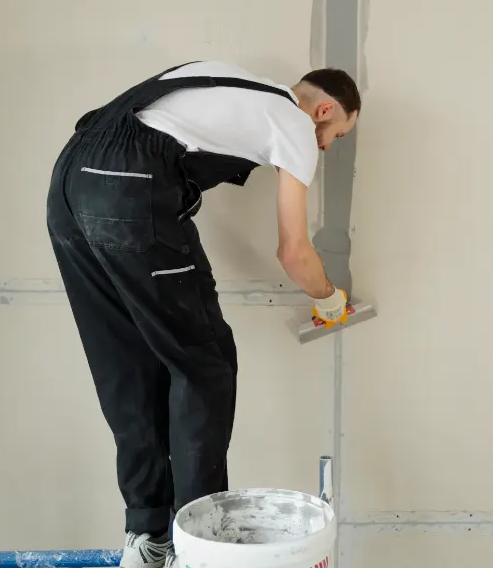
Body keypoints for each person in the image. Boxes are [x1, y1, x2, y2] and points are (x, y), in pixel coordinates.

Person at [45, 60, 361, 568]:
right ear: (323, 110)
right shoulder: (295, 123)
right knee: (204, 365)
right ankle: (200, 548)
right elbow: (294, 252)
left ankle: (148, 538)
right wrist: (329, 298)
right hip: (128, 189)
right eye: (335, 133)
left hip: (69, 181)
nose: (325, 145)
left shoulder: (220, 76)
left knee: (124, 363)